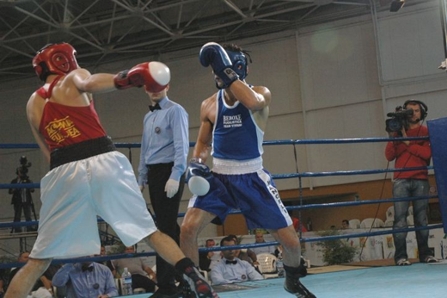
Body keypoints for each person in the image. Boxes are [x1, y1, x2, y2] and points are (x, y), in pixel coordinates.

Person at [4, 42, 217, 298]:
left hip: (61, 172)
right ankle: (194, 277)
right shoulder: (73, 77)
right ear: (64, 61)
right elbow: (91, 82)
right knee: (151, 232)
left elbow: (46, 149)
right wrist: (123, 79)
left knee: (38, 260)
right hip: (102, 160)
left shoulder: (31, 103)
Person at [180, 42, 315, 298]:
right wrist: (196, 163)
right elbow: (203, 142)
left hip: (252, 177)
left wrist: (226, 68)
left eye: (221, 68)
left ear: (234, 68)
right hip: (219, 177)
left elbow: (252, 102)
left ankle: (292, 279)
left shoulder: (261, 93)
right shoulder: (209, 104)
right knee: (187, 228)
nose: (217, 74)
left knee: (291, 243)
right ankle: (193, 286)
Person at [137, 83, 189, 298]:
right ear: (145, 89)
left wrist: (176, 174)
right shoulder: (148, 117)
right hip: (155, 173)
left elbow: (182, 145)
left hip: (169, 170)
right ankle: (186, 277)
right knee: (169, 227)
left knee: (164, 228)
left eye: (159, 86)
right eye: (150, 86)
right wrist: (141, 177)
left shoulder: (176, 111)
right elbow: (144, 148)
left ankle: (166, 285)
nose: (155, 90)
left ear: (167, 85)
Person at [385, 99, 437, 266]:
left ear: (421, 113)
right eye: (410, 111)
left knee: (421, 218)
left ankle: (425, 254)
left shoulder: (425, 131)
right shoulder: (398, 131)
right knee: (400, 219)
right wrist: (395, 136)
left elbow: (427, 153)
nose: (413, 113)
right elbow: (389, 156)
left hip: (421, 178)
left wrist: (407, 142)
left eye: (416, 110)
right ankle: (400, 256)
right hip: (401, 180)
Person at [52, 261, 118, 298]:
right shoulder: (70, 269)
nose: (88, 255)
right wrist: (70, 262)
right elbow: (56, 283)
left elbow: (113, 290)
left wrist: (106, 296)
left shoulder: (104, 270)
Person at [8, 166, 36, 233]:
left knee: (28, 216)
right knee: (17, 216)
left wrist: (29, 183)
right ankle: (17, 229)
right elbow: (10, 191)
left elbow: (32, 190)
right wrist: (16, 187)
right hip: (18, 201)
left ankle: (29, 227)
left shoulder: (27, 180)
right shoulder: (14, 181)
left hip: (26, 200)